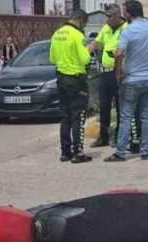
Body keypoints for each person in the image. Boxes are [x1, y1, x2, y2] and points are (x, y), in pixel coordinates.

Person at [106, 0, 148, 162]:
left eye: (124, 12)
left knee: (126, 116)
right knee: (147, 117)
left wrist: (118, 75)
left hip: (131, 81)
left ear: (129, 14)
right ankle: (145, 151)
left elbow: (119, 54)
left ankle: (120, 152)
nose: (123, 15)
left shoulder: (128, 31)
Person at [88, 4, 139, 151]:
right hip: (104, 73)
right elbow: (95, 44)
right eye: (106, 15)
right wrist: (84, 51)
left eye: (109, 16)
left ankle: (119, 137)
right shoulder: (106, 28)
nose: (107, 19)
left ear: (117, 16)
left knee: (120, 106)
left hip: (119, 73)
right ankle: (103, 137)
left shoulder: (126, 29)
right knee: (104, 106)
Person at [49, 9, 92, 163]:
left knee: (65, 116)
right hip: (76, 79)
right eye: (84, 23)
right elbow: (85, 59)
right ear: (80, 20)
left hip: (61, 79)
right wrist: (90, 49)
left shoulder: (57, 34)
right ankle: (78, 152)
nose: (83, 27)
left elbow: (52, 58)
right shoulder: (77, 35)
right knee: (78, 116)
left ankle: (65, 152)